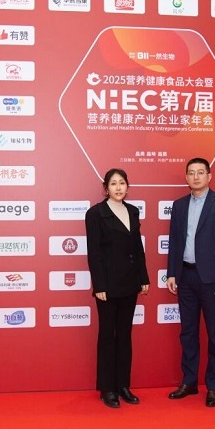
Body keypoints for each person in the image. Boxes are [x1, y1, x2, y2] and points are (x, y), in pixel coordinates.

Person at [166, 158, 215, 408]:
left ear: (209, 176)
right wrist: (172, 273)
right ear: (186, 177)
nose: (195, 177)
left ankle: (213, 386)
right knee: (188, 333)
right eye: (191, 173)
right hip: (185, 277)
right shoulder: (179, 205)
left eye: (200, 172)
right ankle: (189, 381)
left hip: (212, 279)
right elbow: (174, 242)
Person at [85, 168, 150, 408]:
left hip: (130, 283)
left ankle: (123, 385)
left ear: (127, 186)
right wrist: (99, 285)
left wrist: (143, 277)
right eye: (113, 184)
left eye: (122, 183)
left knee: (124, 336)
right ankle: (107, 389)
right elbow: (94, 252)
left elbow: (138, 248)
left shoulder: (132, 211)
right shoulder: (96, 213)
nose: (118, 188)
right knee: (107, 336)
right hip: (108, 286)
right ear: (106, 188)